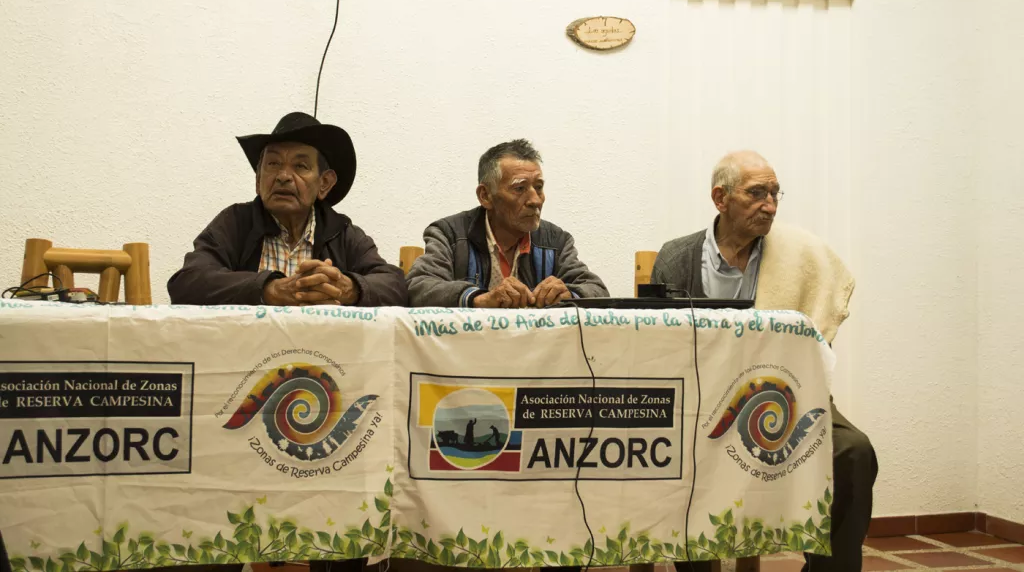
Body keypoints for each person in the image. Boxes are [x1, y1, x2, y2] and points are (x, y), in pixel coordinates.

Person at [652, 151, 877, 572]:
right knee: (683, 454)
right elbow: (663, 344)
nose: (770, 205)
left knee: (853, 451)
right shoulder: (676, 257)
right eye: (757, 193)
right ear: (720, 199)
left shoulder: (799, 255)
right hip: (701, 402)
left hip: (787, 394)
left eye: (775, 194)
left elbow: (815, 335)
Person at [168, 112, 407, 308]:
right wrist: (269, 290)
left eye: (300, 166)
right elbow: (187, 282)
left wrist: (348, 289)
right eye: (273, 164)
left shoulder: (343, 233)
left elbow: (395, 287)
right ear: (258, 179)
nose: (283, 177)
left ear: (324, 183)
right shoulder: (235, 223)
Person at [407, 139, 607, 308]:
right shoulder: (450, 234)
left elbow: (597, 290)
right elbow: (419, 287)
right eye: (520, 188)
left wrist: (569, 294)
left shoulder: (556, 241)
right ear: (485, 196)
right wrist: (480, 299)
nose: (535, 200)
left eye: (538, 187)